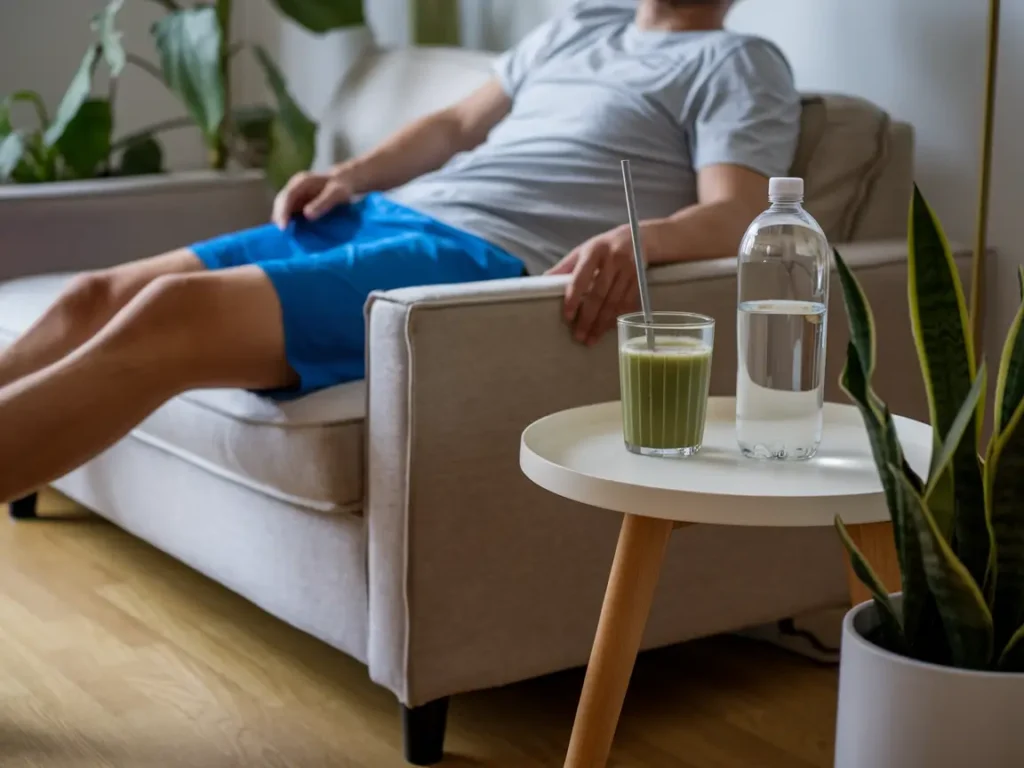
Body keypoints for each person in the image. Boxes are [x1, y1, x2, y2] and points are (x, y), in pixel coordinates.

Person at [0, 0, 799, 503]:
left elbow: (734, 210)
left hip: (476, 256)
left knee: (169, 316)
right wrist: (346, 177)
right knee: (90, 297)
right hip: (386, 214)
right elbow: (454, 127)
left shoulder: (737, 62)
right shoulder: (580, 26)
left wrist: (638, 238)